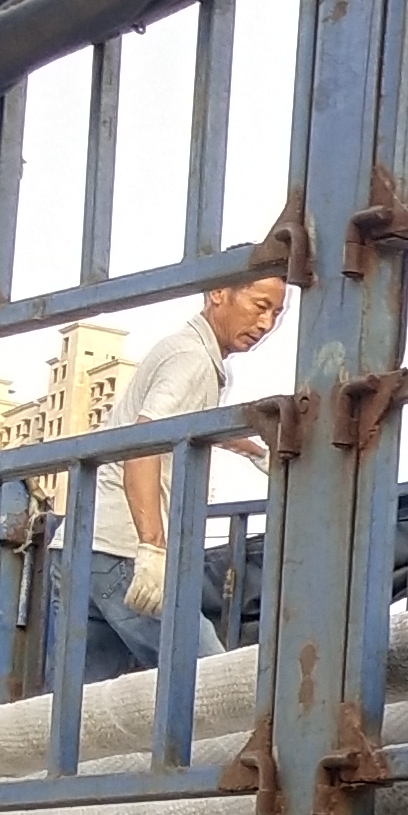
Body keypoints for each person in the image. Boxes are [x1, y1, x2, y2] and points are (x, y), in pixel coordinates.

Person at [83, 260, 290, 687]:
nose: (266, 324)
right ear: (219, 293)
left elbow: (187, 424)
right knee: (216, 686)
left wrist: (256, 453)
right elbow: (143, 443)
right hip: (122, 551)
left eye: (276, 314)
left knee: (84, 713)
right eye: (260, 306)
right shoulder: (192, 359)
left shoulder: (189, 351)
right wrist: (151, 548)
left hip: (82, 547)